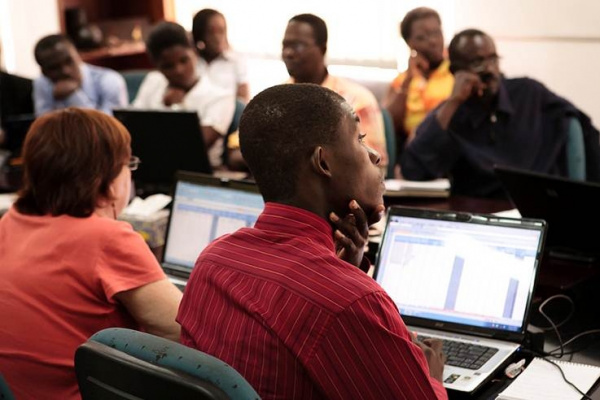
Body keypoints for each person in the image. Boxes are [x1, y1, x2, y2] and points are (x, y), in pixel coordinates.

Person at [177, 84, 447, 399]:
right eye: (359, 140)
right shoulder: (350, 300)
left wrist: (350, 267)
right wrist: (433, 379)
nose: (376, 154)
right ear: (323, 163)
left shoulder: (213, 261)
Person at [0, 108, 182, 400]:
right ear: (105, 176)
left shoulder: (9, 222)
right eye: (128, 164)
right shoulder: (107, 239)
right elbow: (183, 330)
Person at [400, 29, 600, 198]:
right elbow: (413, 169)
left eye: (493, 59)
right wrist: (454, 101)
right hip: (478, 215)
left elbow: (584, 129)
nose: (490, 69)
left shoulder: (528, 93)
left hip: (536, 207)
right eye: (478, 63)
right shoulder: (451, 113)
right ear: (456, 71)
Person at [227, 13, 388, 172]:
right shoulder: (273, 99)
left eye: (298, 45)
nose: (288, 53)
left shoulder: (356, 99)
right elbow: (236, 152)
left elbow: (374, 165)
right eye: (285, 45)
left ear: (322, 49)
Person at [133, 21, 235, 169]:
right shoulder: (153, 81)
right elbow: (132, 128)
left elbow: (193, 147)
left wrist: (175, 106)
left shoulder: (220, 96)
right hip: (150, 168)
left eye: (184, 60)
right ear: (157, 66)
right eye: (168, 66)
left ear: (194, 52)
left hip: (197, 176)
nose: (179, 70)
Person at [382, 7, 453, 143]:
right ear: (409, 43)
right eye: (422, 37)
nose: (433, 41)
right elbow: (386, 126)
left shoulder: (455, 72)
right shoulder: (402, 81)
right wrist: (408, 80)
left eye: (436, 33)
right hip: (412, 151)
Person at [32, 34, 127, 116]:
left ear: (78, 54)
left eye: (69, 61)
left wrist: (73, 96)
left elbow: (109, 130)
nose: (65, 71)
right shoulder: (42, 83)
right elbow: (44, 130)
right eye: (55, 67)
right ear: (44, 72)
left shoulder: (110, 81)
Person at [192, 8, 250, 103]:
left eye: (221, 31)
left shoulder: (236, 61)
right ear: (200, 33)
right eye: (212, 32)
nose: (217, 37)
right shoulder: (191, 61)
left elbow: (243, 100)